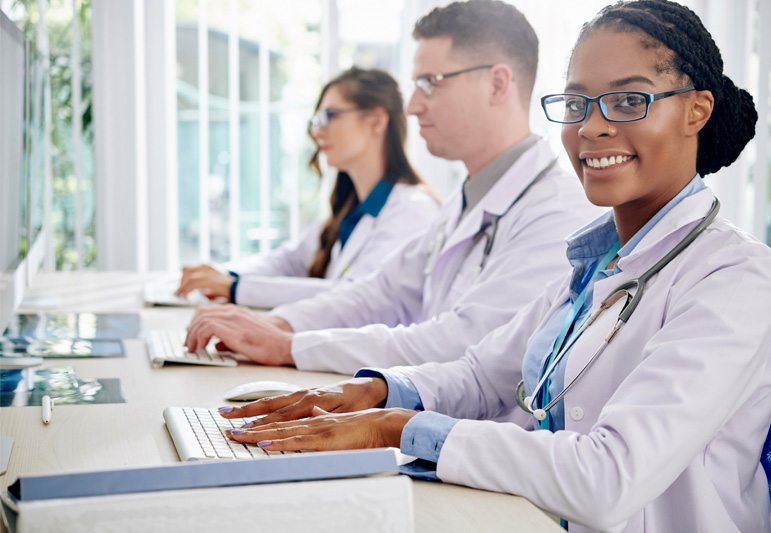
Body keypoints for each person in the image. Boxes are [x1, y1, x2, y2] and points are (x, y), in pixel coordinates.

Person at [217, 1, 771, 531]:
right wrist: (375, 393)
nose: (592, 128)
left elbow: (608, 479)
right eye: (577, 104)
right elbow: (483, 374)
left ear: (697, 111)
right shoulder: (598, 263)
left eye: (629, 101)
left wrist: (398, 426)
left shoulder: (735, 279)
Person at [184, 0, 600, 373]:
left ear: (496, 83)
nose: (413, 106)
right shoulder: (467, 201)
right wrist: (276, 325)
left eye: (431, 82)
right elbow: (375, 293)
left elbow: (462, 343)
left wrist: (291, 345)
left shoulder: (557, 214)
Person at [175, 67, 440, 309]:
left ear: (376, 121)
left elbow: (354, 296)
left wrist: (236, 288)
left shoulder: (411, 211)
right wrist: (224, 275)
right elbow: (289, 261)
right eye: (317, 120)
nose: (317, 132)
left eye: (330, 116)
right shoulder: (352, 210)